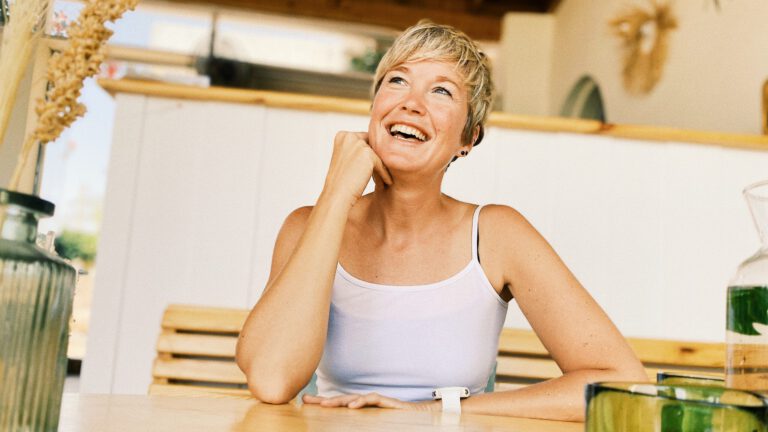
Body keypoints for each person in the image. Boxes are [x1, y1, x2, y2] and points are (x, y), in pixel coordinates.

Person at [235, 20, 647, 421]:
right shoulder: (307, 226)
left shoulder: (497, 235)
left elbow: (622, 383)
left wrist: (433, 412)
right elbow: (271, 381)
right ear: (374, 107)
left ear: (468, 139)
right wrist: (336, 194)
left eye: (441, 91)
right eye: (397, 81)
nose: (410, 103)